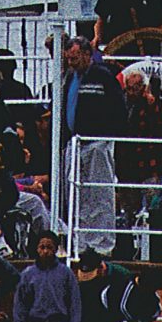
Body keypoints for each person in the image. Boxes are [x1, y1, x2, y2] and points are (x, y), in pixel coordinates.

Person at [62, 35, 123, 251]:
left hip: (98, 143)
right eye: (68, 58)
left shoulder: (103, 77)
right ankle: (80, 242)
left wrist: (107, 137)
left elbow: (118, 109)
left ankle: (102, 244)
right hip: (75, 142)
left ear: (87, 55)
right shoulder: (70, 78)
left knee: (99, 194)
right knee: (76, 194)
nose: (71, 63)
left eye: (75, 58)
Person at [116, 66, 162, 232]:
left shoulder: (152, 105)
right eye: (129, 88)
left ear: (143, 87)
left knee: (151, 202)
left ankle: (151, 235)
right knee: (128, 205)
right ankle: (128, 236)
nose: (132, 92)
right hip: (126, 163)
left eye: (136, 88)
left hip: (149, 162)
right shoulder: (121, 104)